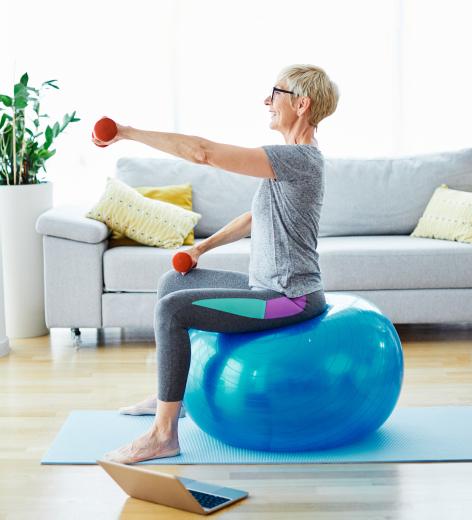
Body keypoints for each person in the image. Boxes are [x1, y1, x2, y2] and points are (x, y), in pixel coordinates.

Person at [98, 64, 340, 463]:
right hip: (264, 285)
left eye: (274, 93)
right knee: (172, 285)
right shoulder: (288, 163)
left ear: (301, 103)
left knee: (172, 310)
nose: (266, 101)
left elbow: (202, 153)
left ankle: (163, 435)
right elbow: (253, 217)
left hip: (290, 297)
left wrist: (127, 132)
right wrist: (201, 249)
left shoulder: (299, 159)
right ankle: (177, 396)